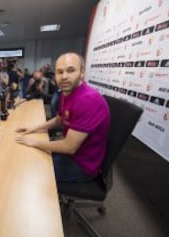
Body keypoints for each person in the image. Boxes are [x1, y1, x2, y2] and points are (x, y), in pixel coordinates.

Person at [15, 52, 110, 182]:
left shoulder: (87, 100)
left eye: (70, 70)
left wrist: (34, 142)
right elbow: (59, 120)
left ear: (82, 72)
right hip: (73, 152)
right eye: (60, 72)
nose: (64, 76)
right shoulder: (67, 93)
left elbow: (69, 147)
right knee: (30, 156)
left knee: (31, 171)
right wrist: (33, 128)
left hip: (82, 164)